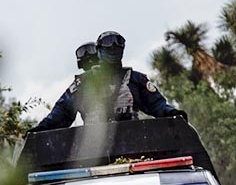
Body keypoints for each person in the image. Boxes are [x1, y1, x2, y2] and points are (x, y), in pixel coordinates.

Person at [30, 31, 186, 132]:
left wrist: (172, 113)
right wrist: (41, 129)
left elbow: (156, 105)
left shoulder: (134, 79)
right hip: (93, 150)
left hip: (134, 143)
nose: (113, 50)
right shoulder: (83, 84)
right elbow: (62, 112)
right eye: (108, 46)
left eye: (117, 46)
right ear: (99, 51)